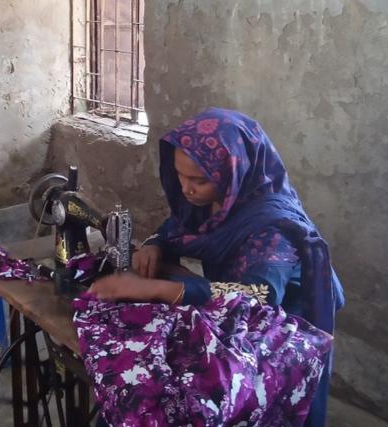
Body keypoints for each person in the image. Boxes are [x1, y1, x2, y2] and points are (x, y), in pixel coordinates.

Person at [86, 107, 345, 426]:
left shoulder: (272, 231)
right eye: (180, 175)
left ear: (233, 172)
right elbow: (177, 225)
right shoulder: (214, 199)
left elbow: (256, 296)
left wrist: (155, 288)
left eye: (198, 180)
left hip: (277, 334)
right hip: (229, 317)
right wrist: (155, 243)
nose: (185, 188)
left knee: (179, 400)